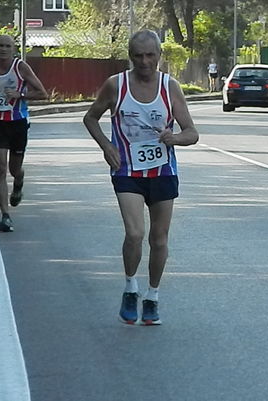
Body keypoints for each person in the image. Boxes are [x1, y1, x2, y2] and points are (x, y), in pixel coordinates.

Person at [83, 30, 199, 325]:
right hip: (127, 171)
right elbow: (90, 117)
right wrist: (107, 146)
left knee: (158, 239)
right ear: (130, 56)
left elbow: (192, 133)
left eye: (150, 55)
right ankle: (130, 287)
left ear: (159, 55)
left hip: (162, 171)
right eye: (138, 55)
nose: (145, 61)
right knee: (135, 234)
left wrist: (174, 139)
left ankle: (152, 297)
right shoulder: (115, 85)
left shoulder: (170, 87)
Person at [0, 34, 48, 233]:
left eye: (7, 46)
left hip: (17, 123)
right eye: (0, 45)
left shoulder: (21, 68)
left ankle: (19, 181)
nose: (3, 49)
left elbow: (43, 94)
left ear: (14, 49)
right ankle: (5, 215)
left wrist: (21, 95)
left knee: (13, 169)